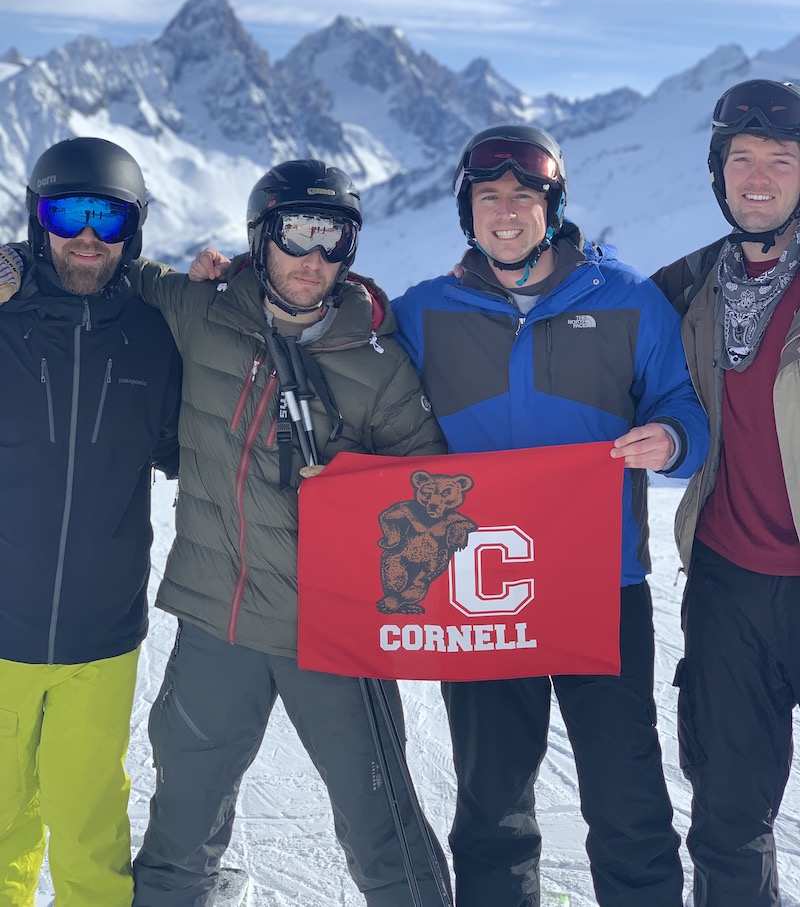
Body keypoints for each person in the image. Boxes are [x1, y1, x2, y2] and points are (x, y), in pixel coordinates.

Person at [389, 125, 709, 907]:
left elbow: (684, 414)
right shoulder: (423, 311)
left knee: (625, 791)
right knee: (492, 803)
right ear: (467, 212)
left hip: (599, 582)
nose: (506, 212)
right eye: (488, 197)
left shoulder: (626, 300)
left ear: (553, 206)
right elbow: (346, 366)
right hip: (479, 593)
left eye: (523, 197)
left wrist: (668, 439)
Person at [127, 160, 452, 907]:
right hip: (220, 621)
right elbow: (107, 264)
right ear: (260, 238)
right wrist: (15, 261)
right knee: (182, 829)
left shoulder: (378, 363)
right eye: (296, 233)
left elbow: (434, 496)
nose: (313, 258)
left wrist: (355, 486)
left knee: (383, 833)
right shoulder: (202, 309)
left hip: (332, 635)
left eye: (334, 239)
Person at [0, 137, 181, 907]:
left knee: (89, 827)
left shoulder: (153, 336)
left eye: (105, 218)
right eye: (67, 213)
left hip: (99, 637)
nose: (85, 235)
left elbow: (201, 443)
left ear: (130, 231)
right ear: (38, 220)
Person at [652, 79, 800, 907]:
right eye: (740, 157)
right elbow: (584, 320)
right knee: (728, 821)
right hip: (730, 585)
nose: (758, 176)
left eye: (781, 159)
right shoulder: (690, 283)